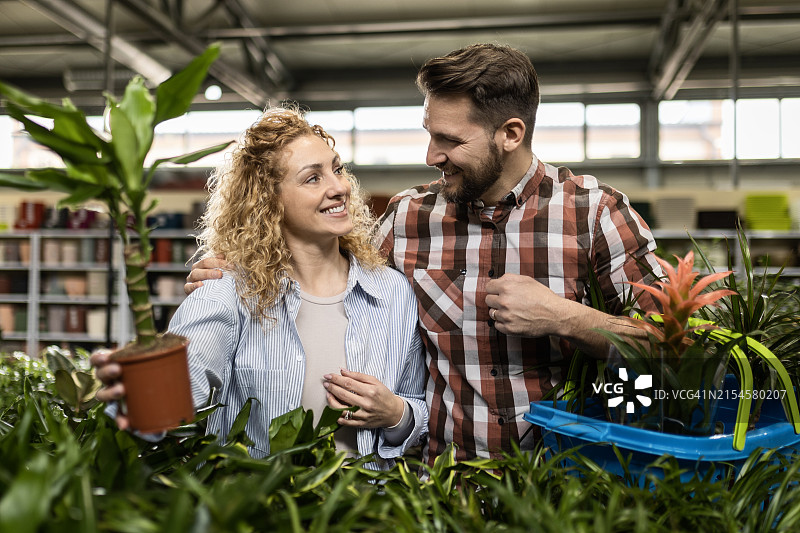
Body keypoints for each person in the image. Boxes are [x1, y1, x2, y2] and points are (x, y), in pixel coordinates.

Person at [185, 44, 662, 465]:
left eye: (450, 141)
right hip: (439, 488)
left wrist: (566, 317)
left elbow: (677, 352)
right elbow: (324, 273)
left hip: (564, 483)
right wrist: (232, 274)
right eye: (430, 133)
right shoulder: (408, 218)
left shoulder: (596, 214)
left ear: (511, 133)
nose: (431, 155)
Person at [93, 106, 428, 470]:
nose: (339, 187)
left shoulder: (392, 292)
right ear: (269, 200)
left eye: (337, 168)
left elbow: (415, 408)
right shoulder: (228, 290)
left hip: (367, 512)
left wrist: (397, 414)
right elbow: (185, 386)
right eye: (312, 178)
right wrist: (139, 394)